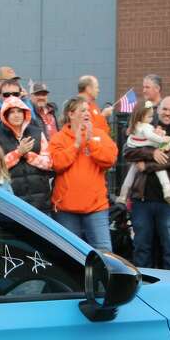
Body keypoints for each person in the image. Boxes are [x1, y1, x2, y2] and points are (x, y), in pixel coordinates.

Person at [124, 96, 170, 270]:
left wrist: (147, 164)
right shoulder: (144, 126)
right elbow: (127, 151)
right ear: (159, 109)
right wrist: (151, 153)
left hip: (169, 201)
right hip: (142, 198)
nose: (167, 113)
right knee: (141, 247)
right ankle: (142, 286)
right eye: (164, 109)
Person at [48, 97, 118, 249]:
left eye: (88, 110)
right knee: (69, 254)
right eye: (82, 110)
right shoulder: (58, 138)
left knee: (104, 253)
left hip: (96, 208)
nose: (87, 113)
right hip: (66, 210)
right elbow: (56, 164)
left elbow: (110, 160)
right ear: (71, 114)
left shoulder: (99, 134)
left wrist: (91, 140)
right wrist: (76, 144)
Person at [0, 96, 53, 213]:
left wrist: (28, 155)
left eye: (19, 111)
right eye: (12, 112)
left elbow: (49, 163)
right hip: (11, 201)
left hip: (42, 202)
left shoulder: (37, 132)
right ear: (5, 115)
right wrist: (18, 153)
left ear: (25, 114)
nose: (16, 115)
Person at [118, 102, 170, 205]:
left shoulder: (135, 126)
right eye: (150, 116)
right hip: (148, 152)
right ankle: (168, 191)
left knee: (130, 175)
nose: (151, 118)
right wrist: (162, 139)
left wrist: (158, 131)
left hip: (137, 154)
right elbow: (151, 137)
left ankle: (123, 196)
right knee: (161, 171)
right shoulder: (146, 127)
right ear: (142, 116)